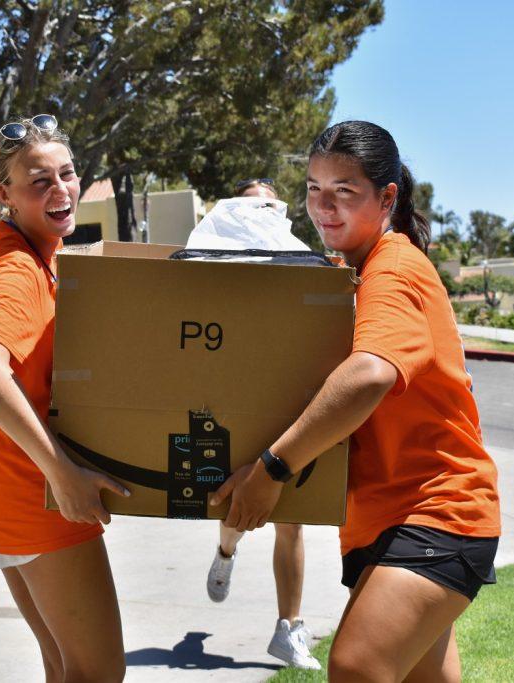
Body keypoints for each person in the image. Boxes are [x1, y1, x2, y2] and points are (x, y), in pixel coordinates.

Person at [212, 121, 500, 681]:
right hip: (388, 521)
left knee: (355, 667)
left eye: (345, 191)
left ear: (386, 196)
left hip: (436, 513)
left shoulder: (392, 268)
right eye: (315, 189)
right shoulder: (355, 269)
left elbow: (370, 374)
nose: (325, 206)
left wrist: (273, 468)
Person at [0, 115, 130, 682]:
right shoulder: (15, 266)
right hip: (30, 492)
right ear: (4, 194)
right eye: (40, 181)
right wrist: (62, 474)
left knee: (63, 664)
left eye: (67, 175)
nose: (60, 190)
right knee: (99, 671)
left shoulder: (32, 249)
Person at [203, 175, 320, 671]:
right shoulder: (209, 259)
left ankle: (287, 628)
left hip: (283, 409)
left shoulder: (298, 259)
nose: (260, 212)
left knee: (291, 523)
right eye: (251, 204)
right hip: (230, 405)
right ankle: (225, 553)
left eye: (269, 205)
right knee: (236, 512)